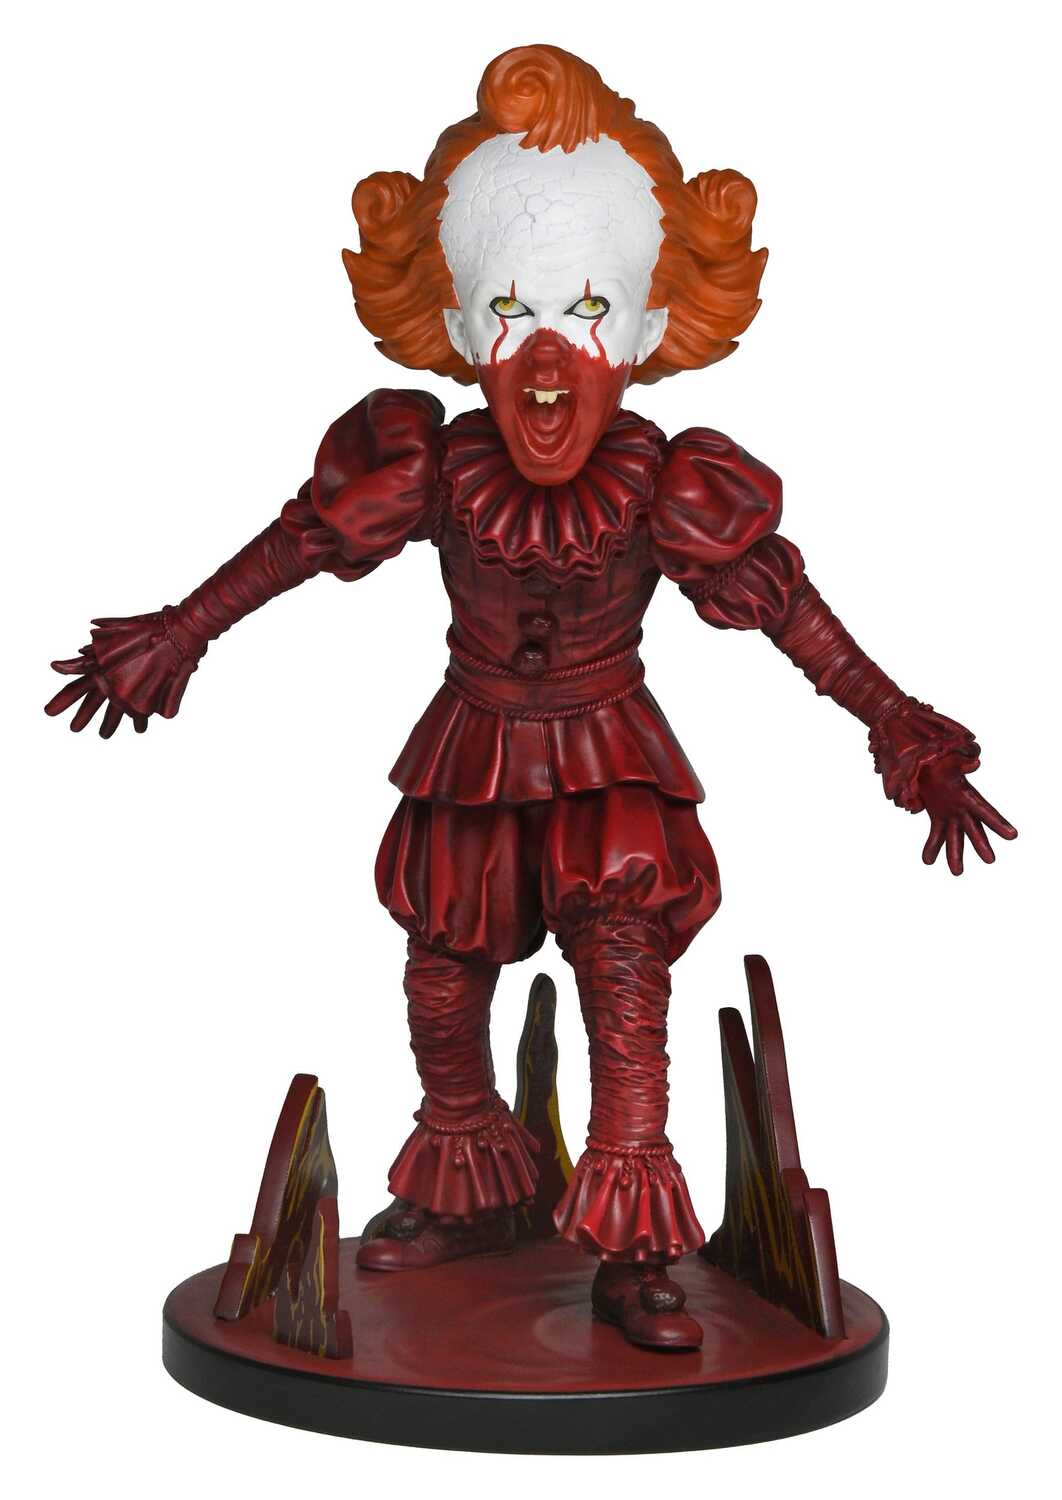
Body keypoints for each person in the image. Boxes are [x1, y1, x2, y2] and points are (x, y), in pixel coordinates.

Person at [46, 45, 1015, 1350]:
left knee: (624, 984)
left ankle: (632, 1252)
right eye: (509, 306)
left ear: (650, 329)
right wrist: (181, 630)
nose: (547, 355)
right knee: (441, 980)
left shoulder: (667, 483)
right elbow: (304, 541)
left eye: (587, 306)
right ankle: (472, 1186)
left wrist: (894, 722)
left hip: (610, 759)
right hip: (474, 745)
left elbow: (788, 611)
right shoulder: (430, 465)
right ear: (456, 328)